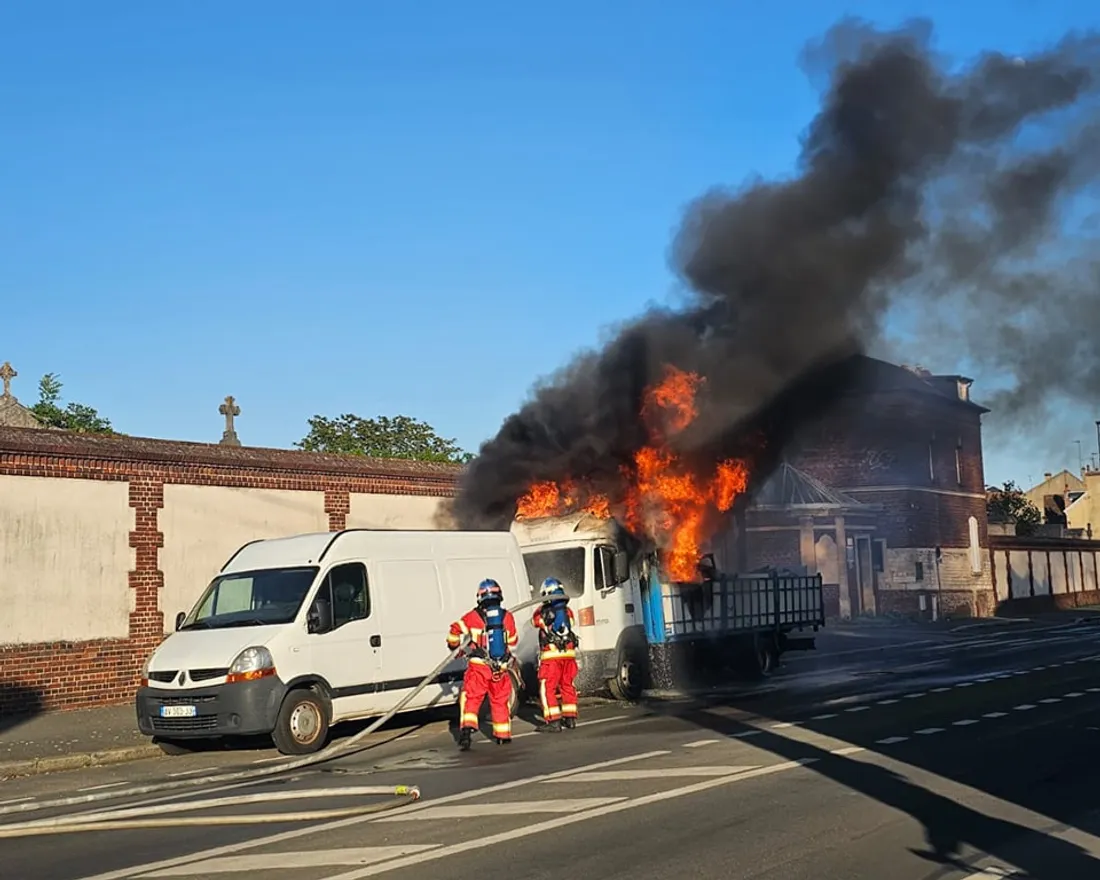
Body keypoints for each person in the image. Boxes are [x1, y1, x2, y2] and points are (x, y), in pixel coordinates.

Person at [446, 578, 519, 750]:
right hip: (499, 667)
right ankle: (503, 735)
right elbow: (514, 641)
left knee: (472, 698)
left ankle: (467, 731)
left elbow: (454, 631)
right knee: (500, 700)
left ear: (479, 597)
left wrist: (455, 645)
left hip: (479, 666)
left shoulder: (472, 617)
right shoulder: (507, 616)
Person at [532, 577, 580, 733]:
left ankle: (553, 721)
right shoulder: (568, 611)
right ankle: (570, 717)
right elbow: (571, 623)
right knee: (567, 685)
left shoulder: (541, 611)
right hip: (569, 655)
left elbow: (535, 622)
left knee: (548, 688)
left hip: (551, 658)